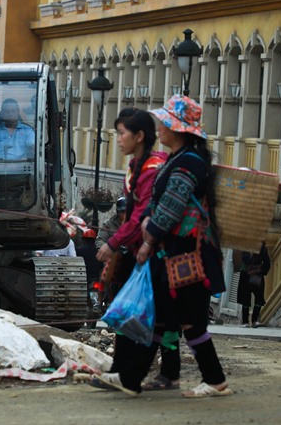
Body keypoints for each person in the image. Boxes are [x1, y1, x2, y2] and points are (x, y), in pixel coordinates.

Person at [106, 95, 230, 398]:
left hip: (186, 256)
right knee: (165, 320)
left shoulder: (187, 162)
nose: (160, 127)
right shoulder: (180, 158)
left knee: (190, 323)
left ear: (179, 130)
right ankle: (130, 379)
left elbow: (170, 207)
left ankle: (213, 380)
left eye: (166, 123)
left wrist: (148, 236)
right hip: (175, 253)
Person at [87, 108, 169, 394]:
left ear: (140, 136)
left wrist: (112, 243)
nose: (118, 139)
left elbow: (141, 214)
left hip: (158, 253)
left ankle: (130, 378)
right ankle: (121, 373)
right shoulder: (136, 167)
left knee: (153, 320)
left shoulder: (152, 169)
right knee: (129, 313)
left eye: (122, 133)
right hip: (140, 252)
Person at [0, 98, 37, 205]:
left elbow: (32, 146)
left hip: (20, 164)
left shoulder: (27, 130)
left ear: (18, 112)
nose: (10, 114)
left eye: (13, 111)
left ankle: (31, 203)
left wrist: (32, 148)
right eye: (7, 111)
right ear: (2, 113)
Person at [237, 241, 271, 328]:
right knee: (245, 298)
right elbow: (245, 259)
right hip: (246, 275)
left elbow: (267, 263)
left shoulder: (263, 248)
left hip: (257, 276)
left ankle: (255, 320)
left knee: (259, 298)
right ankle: (245, 321)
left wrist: (257, 271)